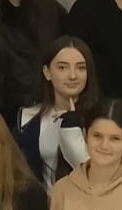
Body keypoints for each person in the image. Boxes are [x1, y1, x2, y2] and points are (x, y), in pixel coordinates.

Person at [15, 36, 100, 189]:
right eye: (62, 68)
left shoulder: (103, 117)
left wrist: (71, 125)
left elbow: (96, 174)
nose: (73, 75)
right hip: (44, 202)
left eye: (81, 68)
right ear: (47, 72)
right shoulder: (28, 119)